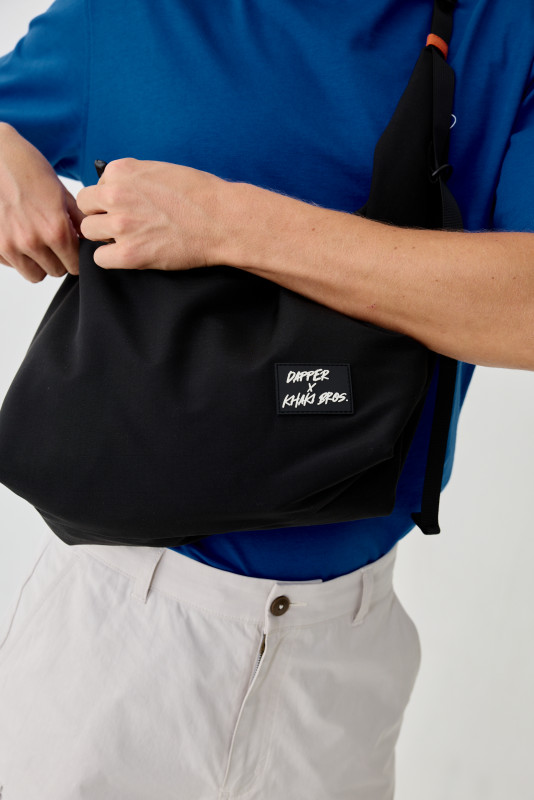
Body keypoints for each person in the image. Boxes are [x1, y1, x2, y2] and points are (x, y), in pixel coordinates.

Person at [0, 0, 532, 797]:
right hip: (113, 646)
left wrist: (226, 223)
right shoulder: (133, 16)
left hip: (344, 666)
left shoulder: (507, 29)